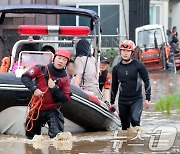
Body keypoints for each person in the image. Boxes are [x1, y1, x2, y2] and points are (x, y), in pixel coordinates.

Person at [21, 48, 71, 139]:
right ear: (54, 58)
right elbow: (25, 77)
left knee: (57, 137)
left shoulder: (65, 79)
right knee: (30, 137)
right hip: (37, 107)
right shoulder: (41, 68)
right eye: (59, 58)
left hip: (52, 109)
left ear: (66, 63)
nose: (61, 61)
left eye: (64, 60)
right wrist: (34, 89)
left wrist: (55, 88)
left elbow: (65, 98)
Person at [110, 40, 151, 131]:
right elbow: (114, 86)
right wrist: (112, 102)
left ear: (132, 53)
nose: (125, 53)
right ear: (120, 51)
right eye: (123, 51)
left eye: (128, 51)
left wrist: (148, 98)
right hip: (123, 101)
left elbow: (147, 81)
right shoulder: (116, 69)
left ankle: (137, 141)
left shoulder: (139, 66)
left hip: (136, 99)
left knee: (135, 120)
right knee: (125, 128)